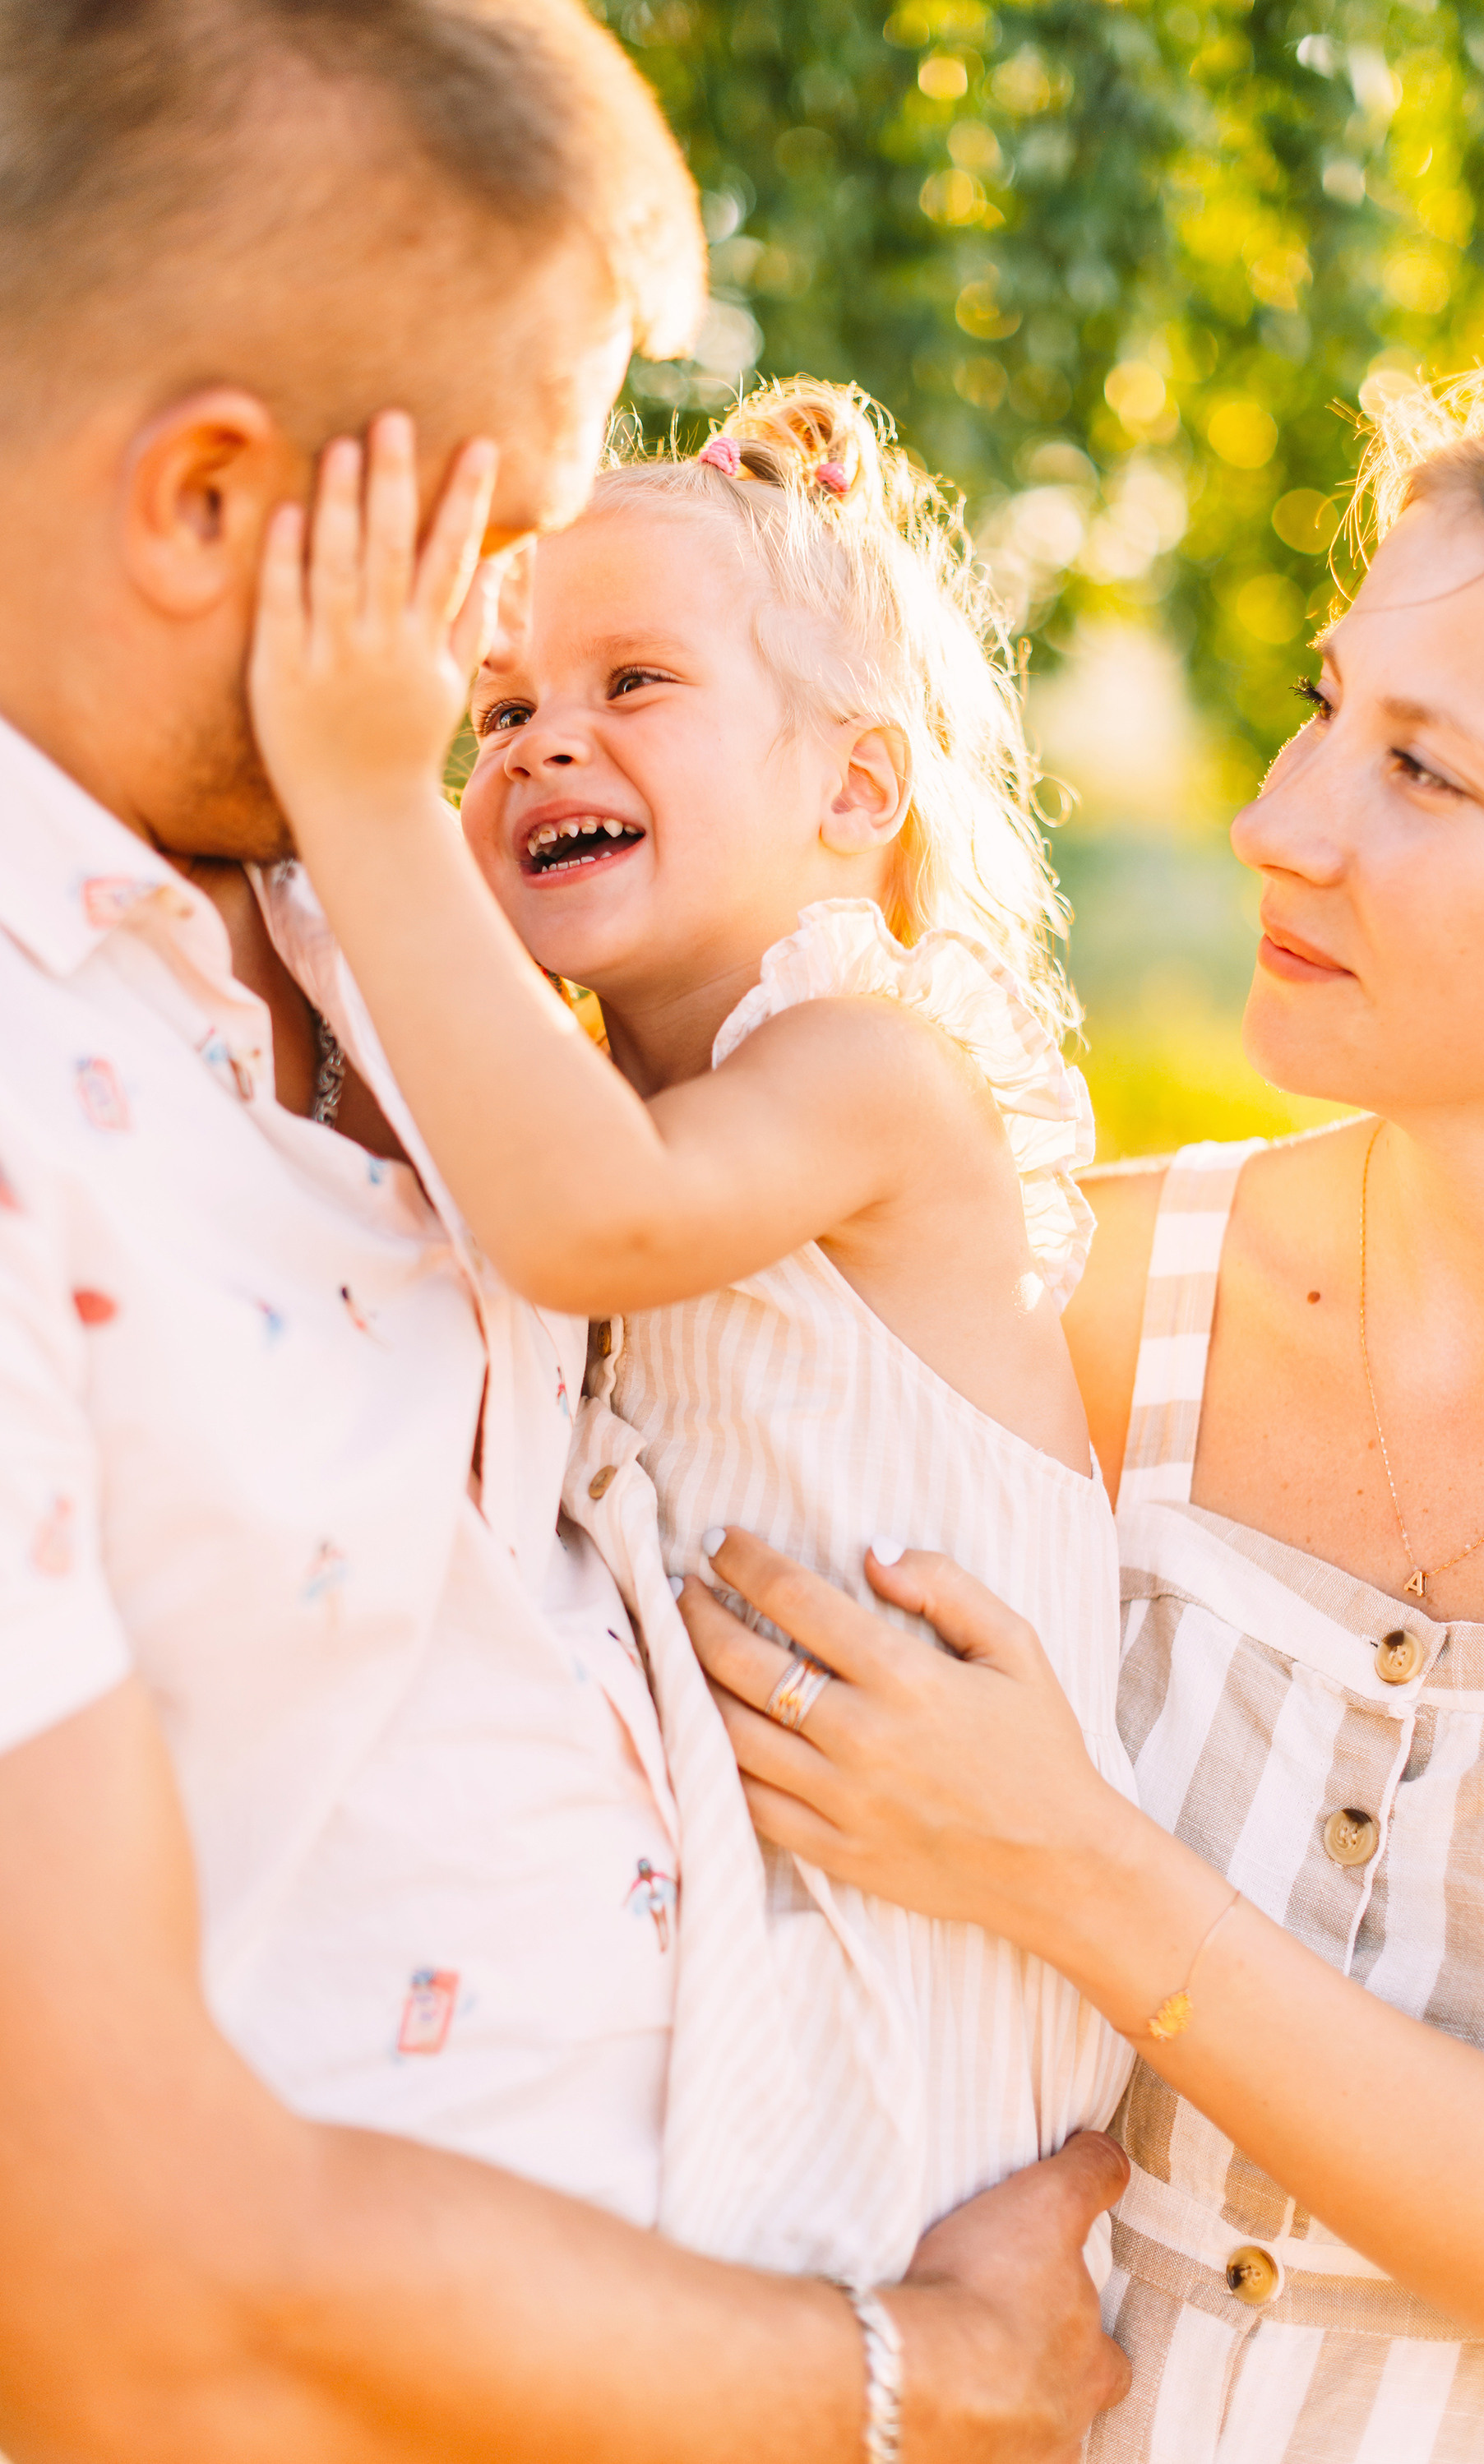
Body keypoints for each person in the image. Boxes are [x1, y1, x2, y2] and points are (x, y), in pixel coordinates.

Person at [0, 4, 1130, 2456]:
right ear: (206, 506)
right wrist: (912, 2379)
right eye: (489, 588)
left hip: (877, 2054)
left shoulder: (357, 914)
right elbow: (110, 2267)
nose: (506, 717)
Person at [681, 327, 1484, 2458]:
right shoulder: (1085, 1290)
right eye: (1325, 709)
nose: (1275, 823)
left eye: (1427, 770)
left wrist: (1081, 1867)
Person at [248, 375, 1136, 2282]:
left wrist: (351, 778)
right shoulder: (593, 1095)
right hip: (787, 1916)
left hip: (927, 1985)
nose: (537, 744)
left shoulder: (866, 1067)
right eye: (496, 712)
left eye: (631, 685)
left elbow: (587, 1221)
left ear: (853, 790)